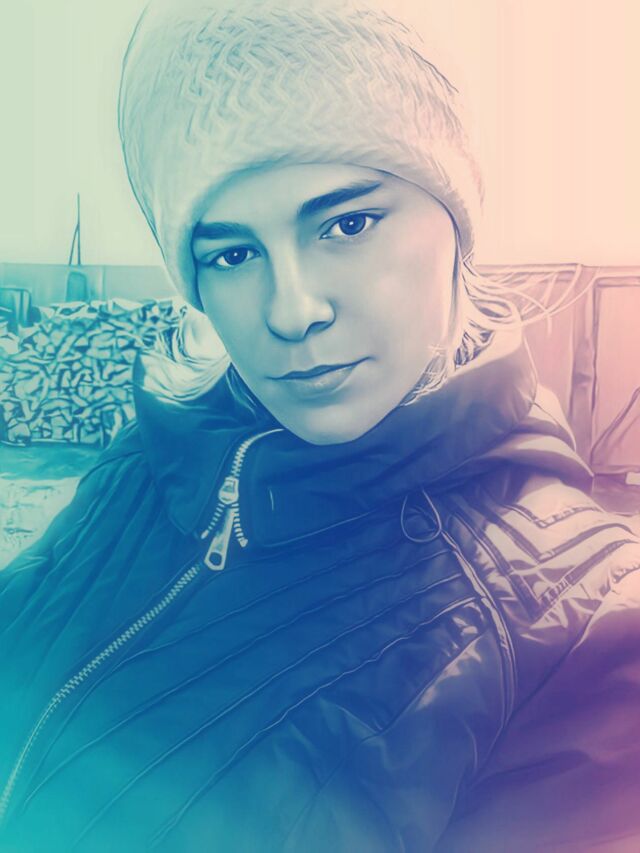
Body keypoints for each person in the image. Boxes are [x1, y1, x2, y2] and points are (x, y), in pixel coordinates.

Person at [2, 1, 640, 850]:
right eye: (233, 253)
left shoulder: (582, 627)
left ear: (454, 218)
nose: (292, 309)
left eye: (348, 223)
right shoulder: (155, 458)